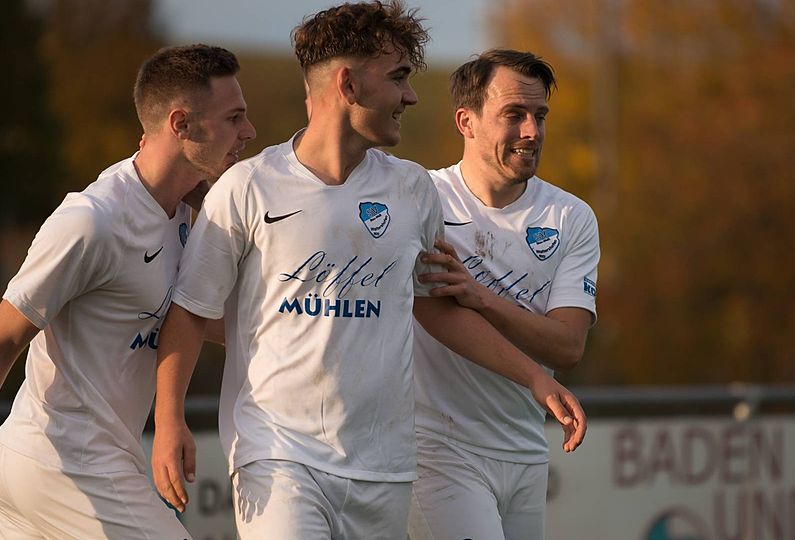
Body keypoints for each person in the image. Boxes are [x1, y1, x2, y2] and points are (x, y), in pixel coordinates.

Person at [150, 3, 586, 540]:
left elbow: (435, 309)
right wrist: (168, 420)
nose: (411, 95)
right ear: (349, 85)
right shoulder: (248, 187)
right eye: (398, 77)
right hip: (278, 458)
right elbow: (191, 312)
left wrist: (534, 377)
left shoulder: (412, 189)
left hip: (385, 471)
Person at [0, 44, 255, 539]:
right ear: (181, 124)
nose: (248, 132)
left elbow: (210, 322)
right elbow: (0, 342)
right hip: (63, 463)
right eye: (234, 118)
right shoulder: (91, 221)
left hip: (71, 465)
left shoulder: (191, 212)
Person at [407, 49, 601, 540]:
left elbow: (567, 347)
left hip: (527, 452)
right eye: (514, 115)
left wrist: (482, 297)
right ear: (466, 122)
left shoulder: (571, 217)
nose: (532, 131)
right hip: (436, 451)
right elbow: (430, 311)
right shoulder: (423, 199)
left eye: (540, 116)